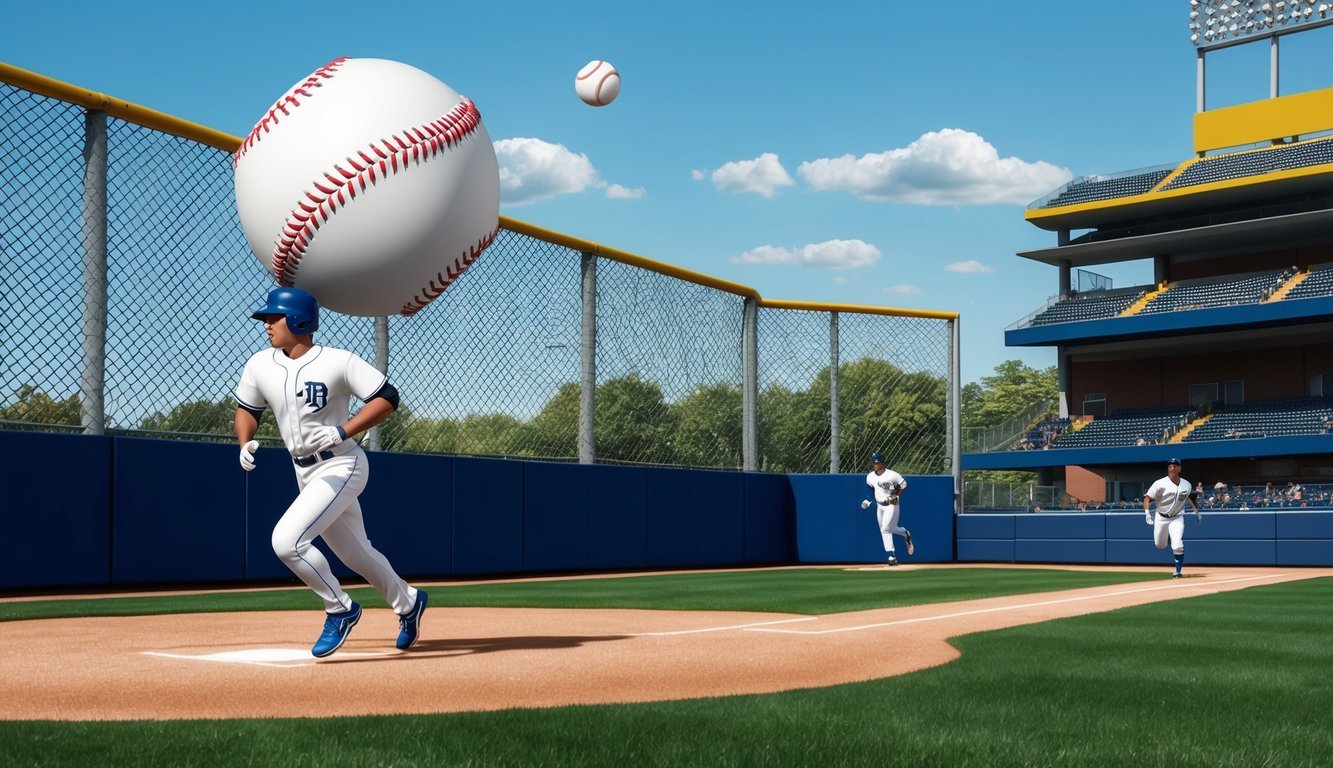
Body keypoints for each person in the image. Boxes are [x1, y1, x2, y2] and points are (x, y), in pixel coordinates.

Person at [234, 287, 428, 658]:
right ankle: (409, 602)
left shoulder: (338, 361)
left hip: (343, 463)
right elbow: (247, 410)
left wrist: (344, 430)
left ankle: (339, 608)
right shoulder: (259, 364)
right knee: (357, 554)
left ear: (299, 321)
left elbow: (387, 397)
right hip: (303, 471)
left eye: (274, 318)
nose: (267, 325)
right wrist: (244, 442)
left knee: (287, 542)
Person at [1143, 457, 1202, 579]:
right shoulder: (1159, 483)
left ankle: (1177, 571)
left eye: (1175, 465)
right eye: (1170, 465)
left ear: (1180, 468)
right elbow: (1147, 498)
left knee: (1177, 545)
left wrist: (1196, 512)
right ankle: (1169, 537)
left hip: (1177, 517)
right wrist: (1147, 513)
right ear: (1168, 468)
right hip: (1161, 517)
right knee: (1160, 545)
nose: (1172, 467)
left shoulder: (1186, 484)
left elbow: (1187, 498)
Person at [861, 452, 914, 565]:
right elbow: (871, 491)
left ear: (882, 463)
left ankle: (891, 556)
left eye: (878, 463)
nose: (875, 465)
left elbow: (904, 484)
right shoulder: (870, 476)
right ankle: (905, 533)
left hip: (892, 504)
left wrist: (897, 495)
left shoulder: (892, 475)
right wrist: (866, 501)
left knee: (885, 528)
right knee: (888, 529)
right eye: (874, 463)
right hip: (880, 505)